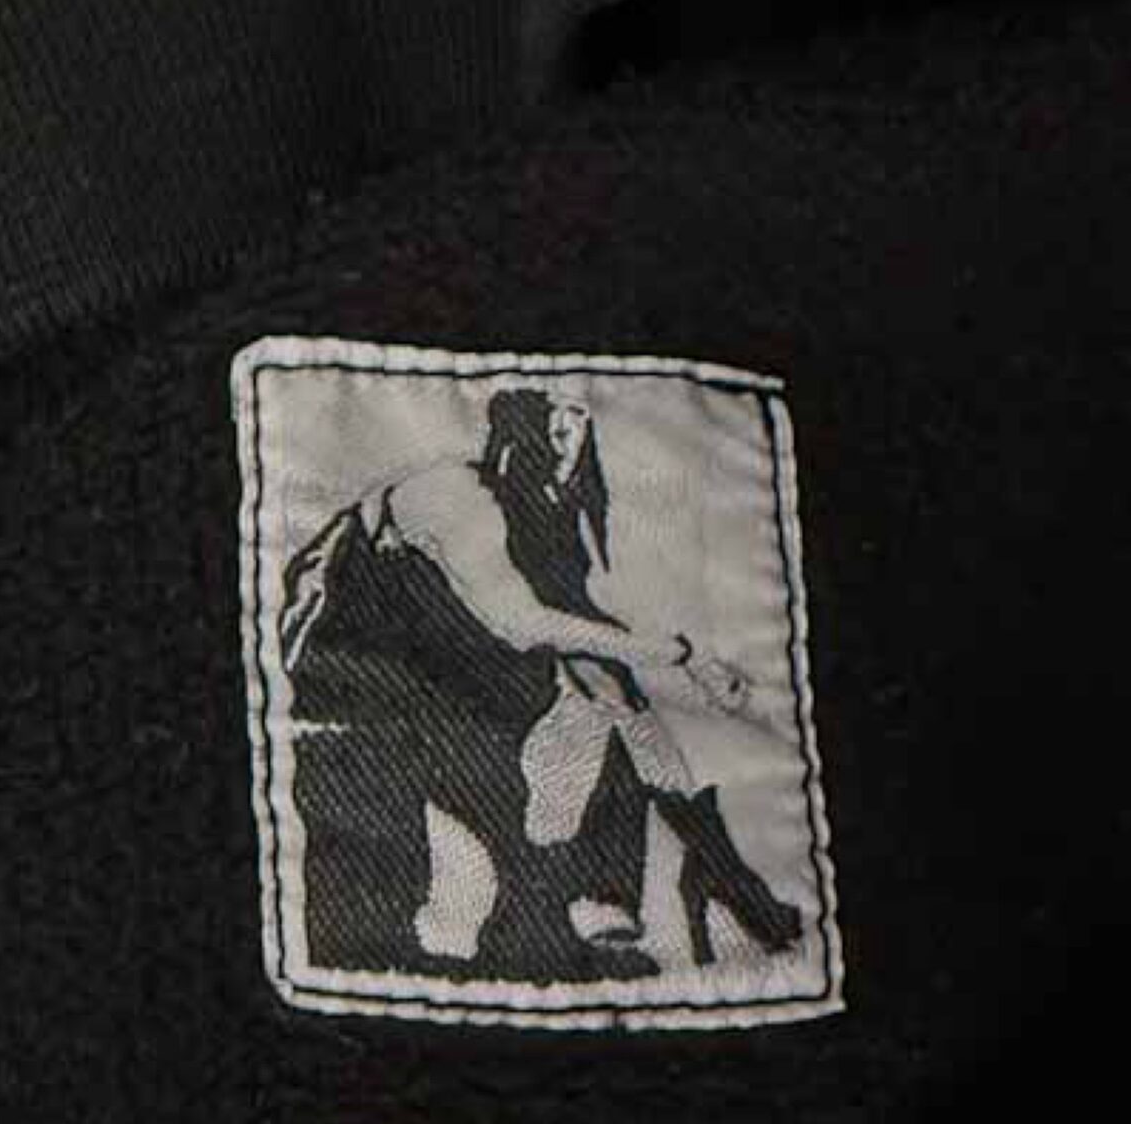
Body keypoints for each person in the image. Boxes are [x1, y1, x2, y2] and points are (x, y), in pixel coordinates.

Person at [277, 385, 804, 980]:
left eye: (578, 434)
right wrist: (675, 655)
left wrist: (653, 721)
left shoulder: (530, 514)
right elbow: (525, 623)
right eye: (556, 432)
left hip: (423, 699)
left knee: (556, 787)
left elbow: (581, 637)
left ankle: (714, 889)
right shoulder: (453, 492)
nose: (567, 453)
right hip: (339, 702)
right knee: (370, 903)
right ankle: (676, 897)